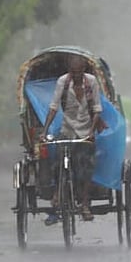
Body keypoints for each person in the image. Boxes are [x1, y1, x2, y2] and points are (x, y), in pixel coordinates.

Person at [40, 55, 106, 223]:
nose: (76, 75)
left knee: (86, 169)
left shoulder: (91, 82)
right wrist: (45, 130)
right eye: (73, 72)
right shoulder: (63, 82)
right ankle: (56, 198)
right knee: (57, 163)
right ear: (70, 71)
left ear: (83, 71)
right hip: (67, 130)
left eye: (79, 72)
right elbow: (54, 107)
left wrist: (91, 132)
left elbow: (97, 109)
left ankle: (84, 204)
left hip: (85, 131)